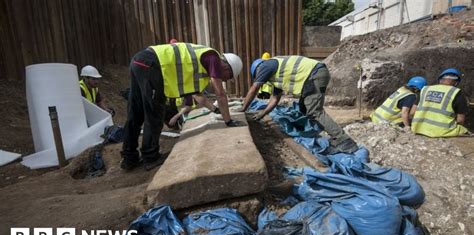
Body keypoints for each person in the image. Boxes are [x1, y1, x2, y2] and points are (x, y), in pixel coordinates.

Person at [121, 42, 243, 170]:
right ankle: (150, 157)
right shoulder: (213, 58)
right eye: (227, 78)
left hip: (141, 61)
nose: (224, 81)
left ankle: (129, 158)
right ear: (227, 68)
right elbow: (220, 94)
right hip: (152, 65)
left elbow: (199, 97)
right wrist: (228, 121)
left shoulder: (200, 64)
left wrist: (215, 110)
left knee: (136, 111)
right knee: (154, 112)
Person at [237, 55, 358, 154]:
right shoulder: (275, 76)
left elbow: (254, 88)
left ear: (257, 69)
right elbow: (275, 99)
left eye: (258, 76)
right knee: (304, 108)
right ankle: (316, 132)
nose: (262, 79)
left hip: (314, 74)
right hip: (314, 75)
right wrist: (263, 113)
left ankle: (344, 141)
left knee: (314, 111)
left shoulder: (266, 65)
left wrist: (243, 108)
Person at [412, 68, 469, 137]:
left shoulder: (425, 89)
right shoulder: (456, 93)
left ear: (440, 80)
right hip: (441, 132)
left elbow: (412, 112)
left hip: (418, 128)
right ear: (456, 83)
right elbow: (460, 120)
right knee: (464, 130)